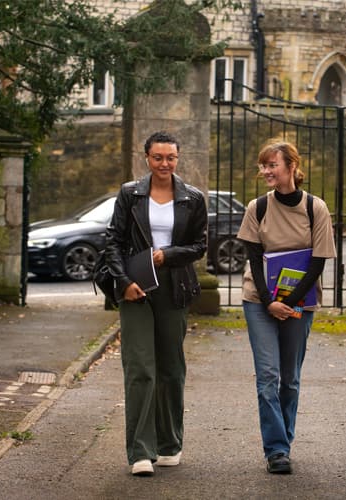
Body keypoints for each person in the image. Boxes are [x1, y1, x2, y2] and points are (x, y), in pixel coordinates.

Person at [105, 131, 208, 476]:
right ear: (146, 158)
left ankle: (169, 444)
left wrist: (167, 255)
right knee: (139, 368)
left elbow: (199, 246)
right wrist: (124, 283)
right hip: (135, 286)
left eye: (171, 158)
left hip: (174, 285)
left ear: (178, 159)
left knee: (170, 369)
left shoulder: (192, 198)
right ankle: (140, 452)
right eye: (158, 157)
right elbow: (113, 242)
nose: (164, 163)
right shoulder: (129, 194)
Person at [237, 140, 336, 474]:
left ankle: (284, 440)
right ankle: (276, 450)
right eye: (263, 166)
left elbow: (319, 261)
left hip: (299, 303)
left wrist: (289, 304)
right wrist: (270, 302)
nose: (266, 171)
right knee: (267, 375)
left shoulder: (315, 208)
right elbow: (252, 257)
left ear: (291, 166)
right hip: (259, 300)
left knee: (289, 379)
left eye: (272, 165)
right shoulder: (258, 207)